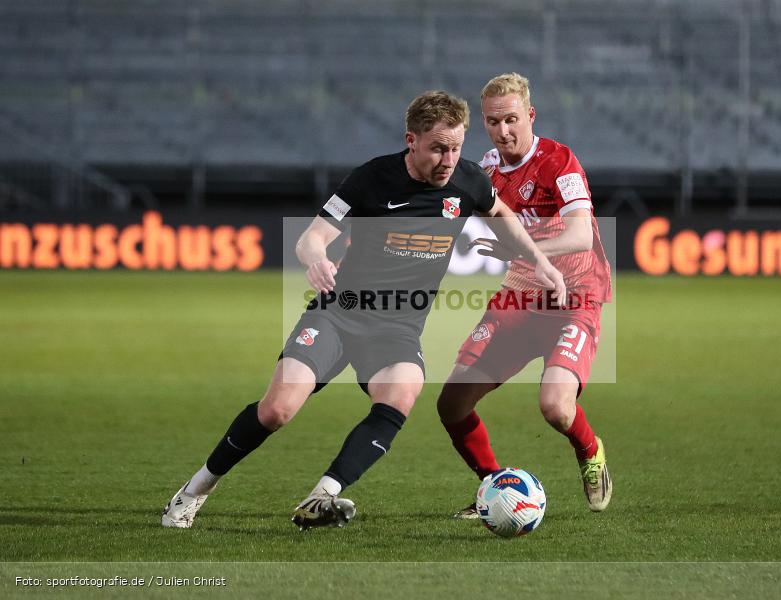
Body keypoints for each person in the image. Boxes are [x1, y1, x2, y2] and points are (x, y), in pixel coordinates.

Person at [161, 90, 565, 531]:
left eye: (456, 147)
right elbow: (310, 237)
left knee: (403, 392)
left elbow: (502, 213)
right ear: (411, 140)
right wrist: (316, 258)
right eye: (437, 148)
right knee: (277, 409)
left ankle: (323, 495)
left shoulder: (467, 181)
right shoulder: (371, 179)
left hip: (397, 328)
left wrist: (540, 262)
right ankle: (194, 490)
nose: (448, 159)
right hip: (340, 312)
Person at [436, 73, 613, 517]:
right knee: (452, 402)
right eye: (494, 122)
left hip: (574, 296)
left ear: (530, 115)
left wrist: (526, 252)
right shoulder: (489, 169)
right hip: (519, 297)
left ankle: (591, 452)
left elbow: (578, 236)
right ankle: (495, 489)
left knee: (555, 406)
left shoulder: (559, 161)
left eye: (512, 119)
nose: (504, 131)